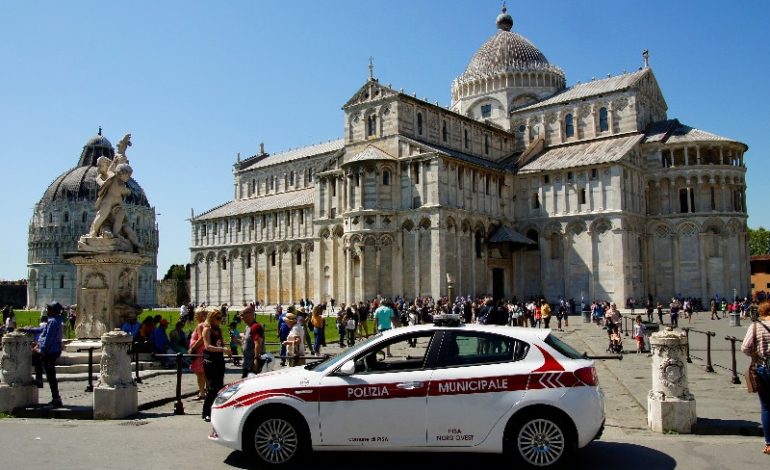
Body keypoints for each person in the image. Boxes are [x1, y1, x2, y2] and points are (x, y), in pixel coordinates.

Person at [20, 302, 64, 407]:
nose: (46, 311)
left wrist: (41, 349)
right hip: (54, 350)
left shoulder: (53, 322)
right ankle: (41, 381)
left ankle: (55, 398)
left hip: (50, 351)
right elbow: (41, 330)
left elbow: (48, 338)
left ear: (52, 311)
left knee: (49, 374)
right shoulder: (55, 320)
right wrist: (27, 329)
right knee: (49, 372)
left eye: (48, 309)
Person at [741, 301, 770, 455]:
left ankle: (769, 443)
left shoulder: (756, 327)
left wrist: (756, 356)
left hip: (763, 368)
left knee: (766, 407)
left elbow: (745, 347)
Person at [201, 308, 231, 422]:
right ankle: (206, 412)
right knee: (212, 387)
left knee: (219, 386)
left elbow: (222, 343)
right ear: (212, 318)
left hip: (219, 360)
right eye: (218, 318)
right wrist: (222, 349)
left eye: (221, 318)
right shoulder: (207, 330)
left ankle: (216, 410)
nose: (220, 320)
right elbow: (207, 346)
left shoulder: (219, 330)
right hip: (210, 361)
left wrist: (227, 350)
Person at [188, 307, 208, 400]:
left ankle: (202, 393)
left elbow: (201, 339)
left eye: (196, 314)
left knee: (200, 374)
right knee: (204, 373)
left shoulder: (200, 325)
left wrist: (192, 348)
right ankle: (206, 391)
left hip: (199, 351)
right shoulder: (207, 325)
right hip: (204, 351)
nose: (195, 316)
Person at [240, 305, 265, 377]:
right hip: (247, 363)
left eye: (243, 314)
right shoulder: (247, 327)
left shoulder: (255, 327)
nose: (241, 316)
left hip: (252, 365)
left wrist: (256, 360)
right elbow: (245, 343)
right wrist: (236, 340)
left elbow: (258, 344)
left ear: (251, 314)